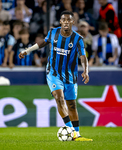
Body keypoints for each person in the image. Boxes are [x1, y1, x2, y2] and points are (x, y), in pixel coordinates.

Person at [19, 11, 92, 141]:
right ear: (60, 21)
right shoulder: (53, 32)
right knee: (59, 98)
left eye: (69, 20)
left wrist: (86, 71)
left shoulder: (78, 39)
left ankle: (77, 134)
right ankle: (70, 130)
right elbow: (43, 42)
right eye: (63, 20)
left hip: (70, 75)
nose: (66, 22)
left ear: (72, 22)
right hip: (53, 72)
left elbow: (83, 56)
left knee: (72, 105)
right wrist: (27, 50)